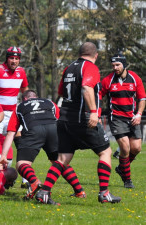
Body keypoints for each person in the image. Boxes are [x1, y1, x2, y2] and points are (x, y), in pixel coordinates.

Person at [33, 42, 121, 205]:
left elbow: (61, 91)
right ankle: (104, 193)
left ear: (79, 53)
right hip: (83, 118)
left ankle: (44, 192)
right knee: (105, 152)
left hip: (65, 119)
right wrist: (94, 112)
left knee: (63, 158)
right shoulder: (91, 67)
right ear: (96, 55)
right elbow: (86, 87)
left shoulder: (68, 68)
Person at [0, 90, 85, 200]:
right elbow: (61, 120)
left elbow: (11, 133)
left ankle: (34, 181)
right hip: (53, 129)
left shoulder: (19, 107)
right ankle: (79, 191)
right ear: (36, 97)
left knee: (22, 164)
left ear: (24, 99)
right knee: (60, 161)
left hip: (34, 130)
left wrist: (3, 156)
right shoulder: (50, 103)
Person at [100, 53, 146, 188]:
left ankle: (121, 168)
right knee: (125, 148)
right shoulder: (108, 80)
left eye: (117, 65)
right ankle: (127, 180)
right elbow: (98, 96)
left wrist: (138, 114)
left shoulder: (134, 78)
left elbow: (142, 98)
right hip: (116, 118)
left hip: (132, 118)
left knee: (136, 148)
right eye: (113, 65)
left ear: (124, 65)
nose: (115, 68)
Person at [0, 46, 28, 167]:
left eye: (16, 58)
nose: (14, 61)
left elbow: (25, 89)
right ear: (7, 58)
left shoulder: (21, 72)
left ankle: (25, 173)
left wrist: (26, 104)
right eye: (11, 58)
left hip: (13, 113)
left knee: (20, 142)